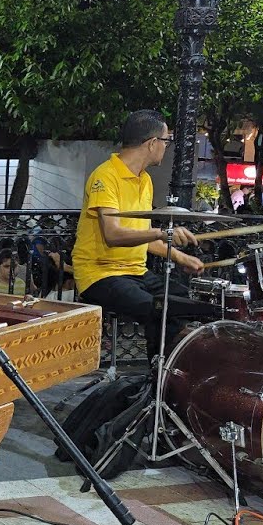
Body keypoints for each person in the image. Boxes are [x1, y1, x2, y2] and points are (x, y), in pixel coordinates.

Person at [71, 110, 206, 363]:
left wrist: (180, 257)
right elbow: (113, 235)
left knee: (185, 302)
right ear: (152, 144)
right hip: (100, 274)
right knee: (161, 310)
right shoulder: (106, 176)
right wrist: (164, 232)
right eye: (166, 141)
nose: (166, 148)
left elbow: (140, 235)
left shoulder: (145, 180)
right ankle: (156, 380)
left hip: (135, 272)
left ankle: (168, 374)